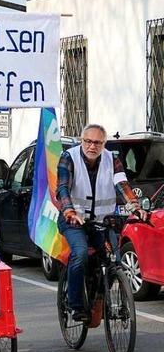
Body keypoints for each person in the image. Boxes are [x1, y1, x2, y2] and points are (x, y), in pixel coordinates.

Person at [56, 124, 148, 322]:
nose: (92, 146)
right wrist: (70, 211)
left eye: (97, 142)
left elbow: (122, 184)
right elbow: (63, 188)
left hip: (101, 222)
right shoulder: (69, 157)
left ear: (103, 144)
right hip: (73, 221)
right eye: (88, 141)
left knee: (113, 260)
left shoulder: (111, 159)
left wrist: (135, 206)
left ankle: (99, 297)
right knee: (79, 254)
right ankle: (76, 306)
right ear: (82, 141)